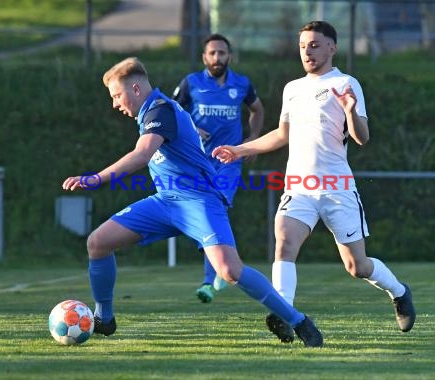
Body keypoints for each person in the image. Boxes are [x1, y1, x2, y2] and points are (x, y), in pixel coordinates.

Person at [61, 56, 323, 347]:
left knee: (229, 270)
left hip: (200, 202)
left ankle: (298, 320)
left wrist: (97, 178)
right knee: (98, 243)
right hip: (166, 203)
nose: (114, 103)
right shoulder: (150, 112)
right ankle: (104, 319)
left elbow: (142, 154)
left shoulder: (161, 110)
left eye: (116, 95)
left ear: (135, 89)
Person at [212, 21, 416, 343]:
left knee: (357, 266)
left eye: (315, 45)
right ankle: (285, 313)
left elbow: (362, 138)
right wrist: (239, 150)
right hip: (298, 186)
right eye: (304, 45)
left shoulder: (347, 83)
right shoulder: (292, 88)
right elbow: (282, 134)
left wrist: (350, 110)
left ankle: (400, 292)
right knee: (284, 242)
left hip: (338, 189)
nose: (308, 51)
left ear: (332, 48)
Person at [172, 33, 264, 303]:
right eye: (212, 53)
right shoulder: (192, 83)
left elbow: (257, 110)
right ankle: (220, 269)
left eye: (221, 53)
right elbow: (171, 112)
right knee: (204, 216)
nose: (217, 58)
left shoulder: (242, 84)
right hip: (197, 161)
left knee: (216, 208)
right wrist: (191, 127)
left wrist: (252, 140)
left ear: (229, 56)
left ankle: (209, 281)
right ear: (204, 57)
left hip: (229, 161)